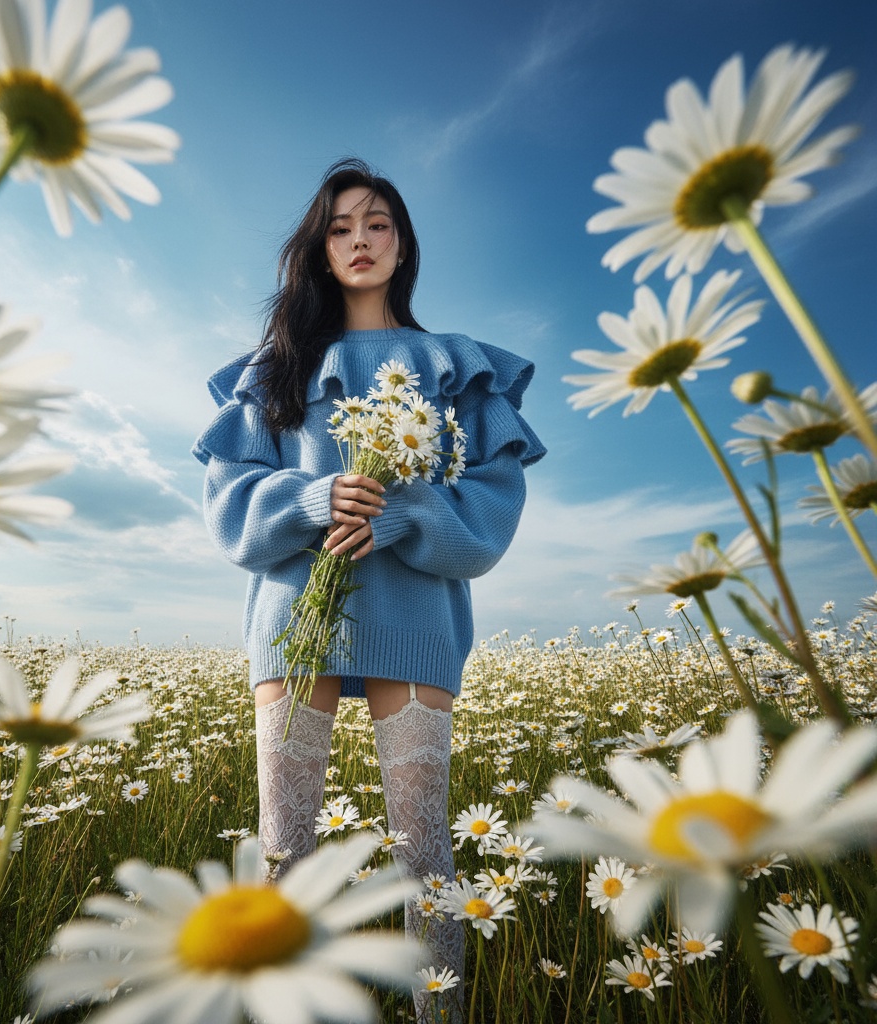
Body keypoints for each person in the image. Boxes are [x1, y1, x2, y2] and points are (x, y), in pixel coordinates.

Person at [192, 158, 545, 1021]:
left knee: (425, 853)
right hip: (291, 619)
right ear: (317, 251)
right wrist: (315, 498)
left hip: (415, 615)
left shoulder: (458, 366)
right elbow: (228, 506)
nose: (359, 240)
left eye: (377, 223)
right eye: (340, 227)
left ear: (403, 242)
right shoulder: (274, 368)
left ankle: (441, 1015)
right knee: (285, 850)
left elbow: (490, 516)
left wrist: (401, 512)